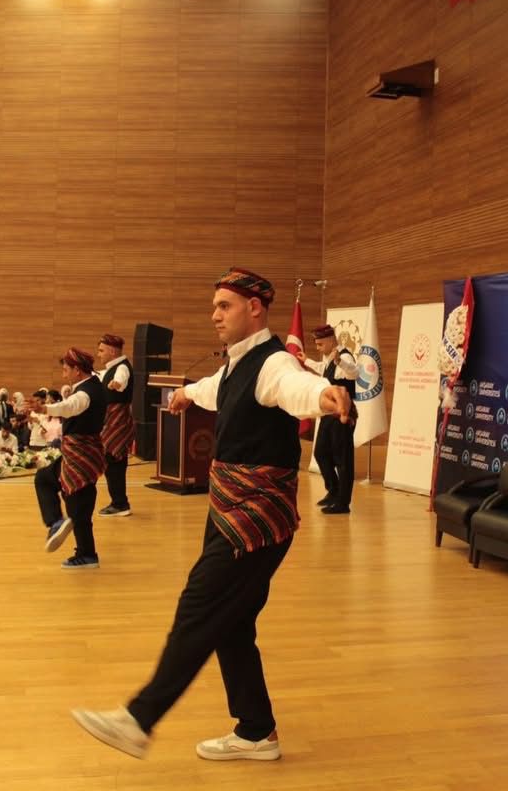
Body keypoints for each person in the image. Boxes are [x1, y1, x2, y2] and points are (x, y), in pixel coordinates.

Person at [71, 267, 352, 760]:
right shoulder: (236, 365)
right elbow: (212, 387)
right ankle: (256, 730)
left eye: (225, 306)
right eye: (214, 307)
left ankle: (139, 719)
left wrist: (323, 396)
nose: (215, 315)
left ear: (255, 308)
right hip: (229, 507)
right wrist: (184, 394)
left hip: (255, 518)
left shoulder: (272, 363)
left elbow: (294, 387)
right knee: (232, 621)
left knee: (200, 606)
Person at [37, 348, 107, 568]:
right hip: (80, 452)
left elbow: (70, 407)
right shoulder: (93, 386)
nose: (64, 374)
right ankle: (57, 523)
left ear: (77, 370)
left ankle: (87, 554)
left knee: (78, 504)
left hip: (81, 454)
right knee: (45, 478)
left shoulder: (85, 393)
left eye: (66, 370)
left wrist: (45, 408)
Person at [299, 324, 359, 514]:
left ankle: (343, 503)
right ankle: (333, 491)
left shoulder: (345, 357)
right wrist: (307, 361)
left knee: (343, 459)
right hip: (328, 415)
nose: (318, 348)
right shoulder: (329, 358)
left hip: (343, 415)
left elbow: (354, 372)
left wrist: (340, 361)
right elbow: (325, 369)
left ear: (331, 340)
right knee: (320, 453)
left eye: (320, 344)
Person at [96, 333, 135, 517]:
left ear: (112, 351)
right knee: (113, 462)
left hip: (117, 420)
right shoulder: (112, 368)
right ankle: (119, 502)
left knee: (114, 461)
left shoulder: (122, 368)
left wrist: (117, 384)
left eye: (101, 350)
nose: (99, 354)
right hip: (112, 419)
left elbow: (121, 380)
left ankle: (120, 504)